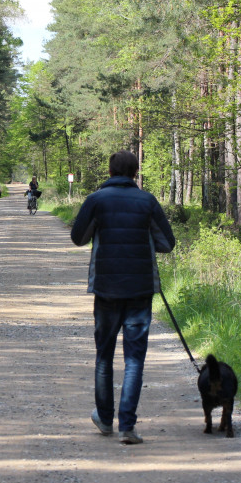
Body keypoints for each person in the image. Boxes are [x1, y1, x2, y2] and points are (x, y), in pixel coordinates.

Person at [70, 150, 175, 444]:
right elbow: (166, 243)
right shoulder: (147, 201)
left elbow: (78, 238)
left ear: (110, 170)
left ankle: (105, 419)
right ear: (134, 172)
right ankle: (127, 426)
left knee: (104, 356)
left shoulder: (95, 200)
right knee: (135, 359)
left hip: (106, 290)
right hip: (140, 291)